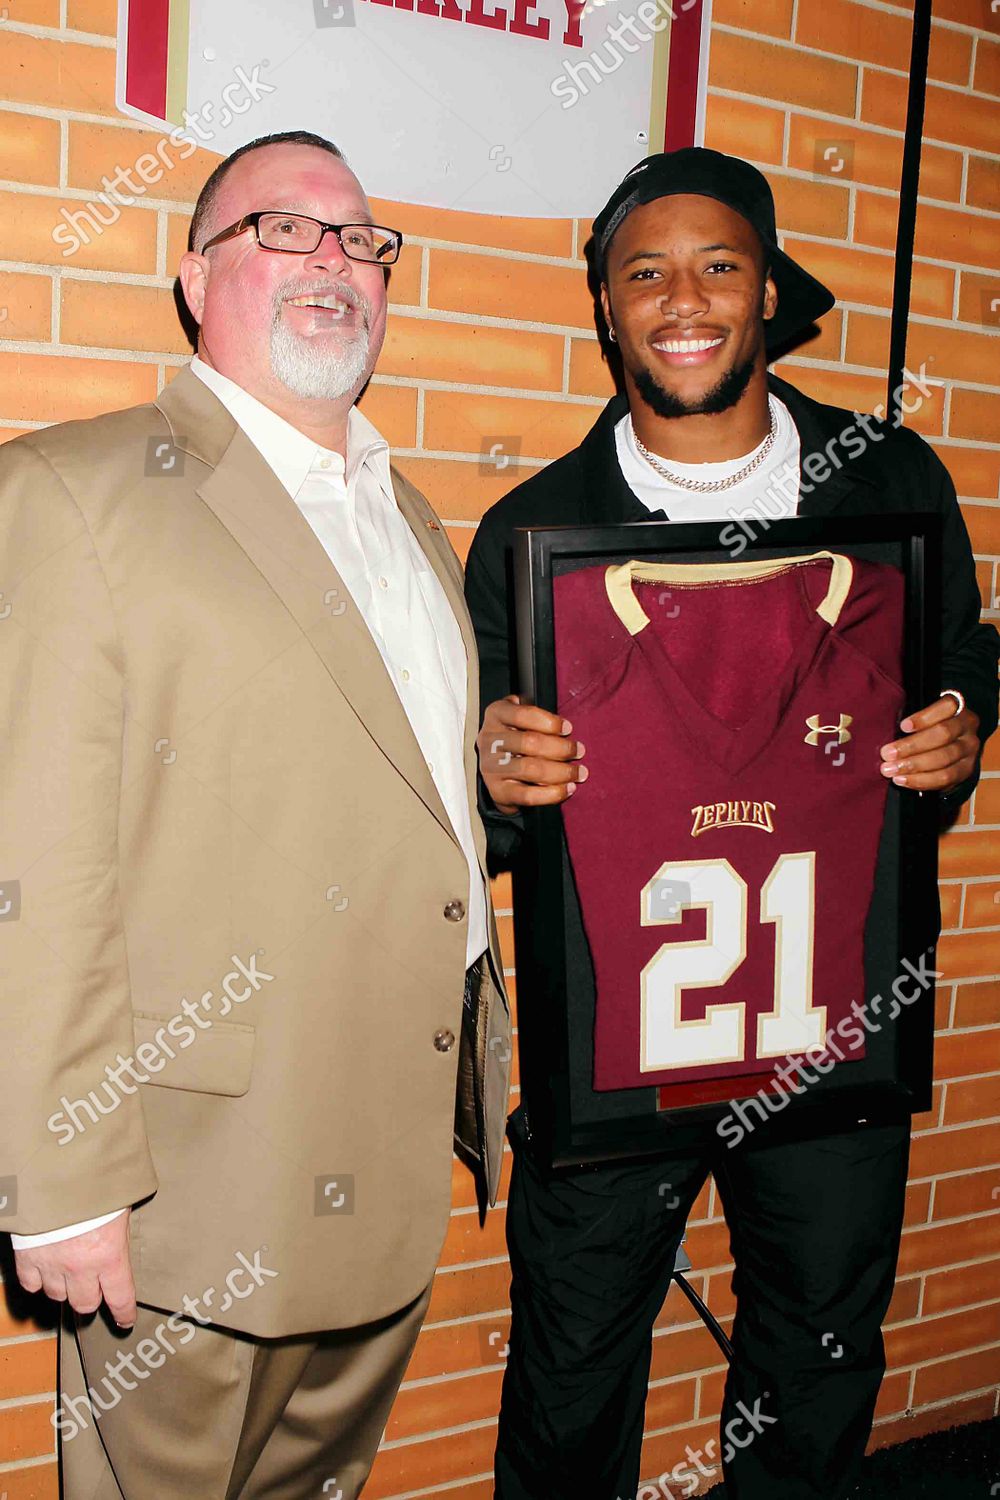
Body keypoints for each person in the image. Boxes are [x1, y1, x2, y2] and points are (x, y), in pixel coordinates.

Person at [464, 147, 1000, 1500]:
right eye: (645, 273)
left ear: (768, 291)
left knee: (815, 1368)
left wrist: (959, 727)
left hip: (832, 1033)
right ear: (606, 307)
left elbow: (962, 658)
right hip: (621, 1048)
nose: (683, 298)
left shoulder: (889, 484)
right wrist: (498, 781)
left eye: (718, 265)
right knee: (572, 1369)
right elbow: (496, 793)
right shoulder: (535, 532)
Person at [1, 129, 510, 1500]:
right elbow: (28, 865)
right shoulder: (71, 492)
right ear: (193, 276)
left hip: (385, 1152)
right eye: (282, 230)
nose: (332, 260)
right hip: (188, 1181)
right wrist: (59, 1177)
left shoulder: (408, 512)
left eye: (358, 237)